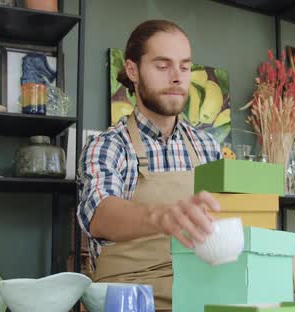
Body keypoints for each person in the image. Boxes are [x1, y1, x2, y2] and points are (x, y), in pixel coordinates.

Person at [77, 19, 223, 311]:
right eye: (162, 65)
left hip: (199, 299)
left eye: (184, 67)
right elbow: (101, 214)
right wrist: (161, 216)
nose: (177, 78)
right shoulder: (108, 146)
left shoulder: (208, 147)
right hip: (128, 302)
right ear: (133, 71)